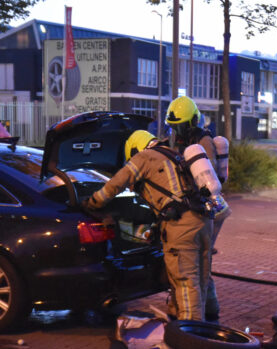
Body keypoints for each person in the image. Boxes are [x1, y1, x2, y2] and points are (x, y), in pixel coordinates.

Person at [84, 129, 213, 321]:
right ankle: (211, 319)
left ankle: (192, 335)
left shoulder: (144, 157)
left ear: (135, 149)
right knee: (201, 278)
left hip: (180, 225)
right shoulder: (174, 155)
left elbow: (115, 185)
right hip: (203, 220)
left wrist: (93, 202)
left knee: (185, 281)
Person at [166, 96, 231, 322]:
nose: (178, 131)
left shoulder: (203, 141)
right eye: (175, 127)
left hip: (209, 206)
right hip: (202, 206)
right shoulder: (179, 140)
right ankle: (210, 307)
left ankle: (199, 310)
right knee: (202, 258)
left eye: (181, 126)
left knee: (199, 259)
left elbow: (208, 172)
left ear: (193, 121)